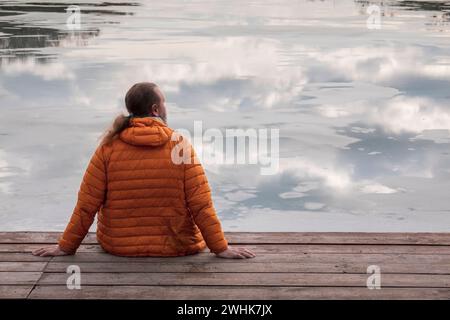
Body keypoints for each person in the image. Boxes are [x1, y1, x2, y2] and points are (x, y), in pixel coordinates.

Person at [32, 82, 255, 259]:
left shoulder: (108, 147)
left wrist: (66, 247)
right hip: (177, 248)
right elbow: (201, 204)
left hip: (120, 246)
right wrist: (221, 248)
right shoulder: (180, 145)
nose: (166, 108)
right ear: (155, 109)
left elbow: (87, 204)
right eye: (165, 103)